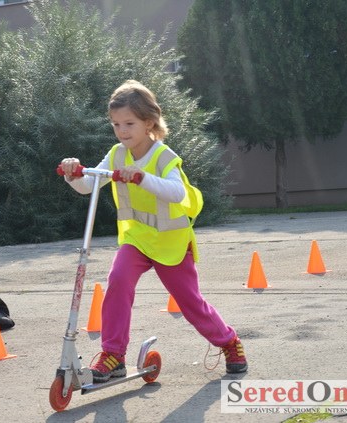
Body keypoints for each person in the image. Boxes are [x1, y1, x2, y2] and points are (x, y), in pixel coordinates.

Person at [59, 80, 247, 383]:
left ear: (149, 122)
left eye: (129, 123)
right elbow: (88, 185)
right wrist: (73, 173)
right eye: (116, 124)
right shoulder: (117, 154)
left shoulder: (163, 156)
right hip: (137, 238)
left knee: (190, 303)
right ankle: (113, 355)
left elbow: (176, 192)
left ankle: (228, 342)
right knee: (118, 280)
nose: (122, 131)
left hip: (171, 242)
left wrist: (142, 177)